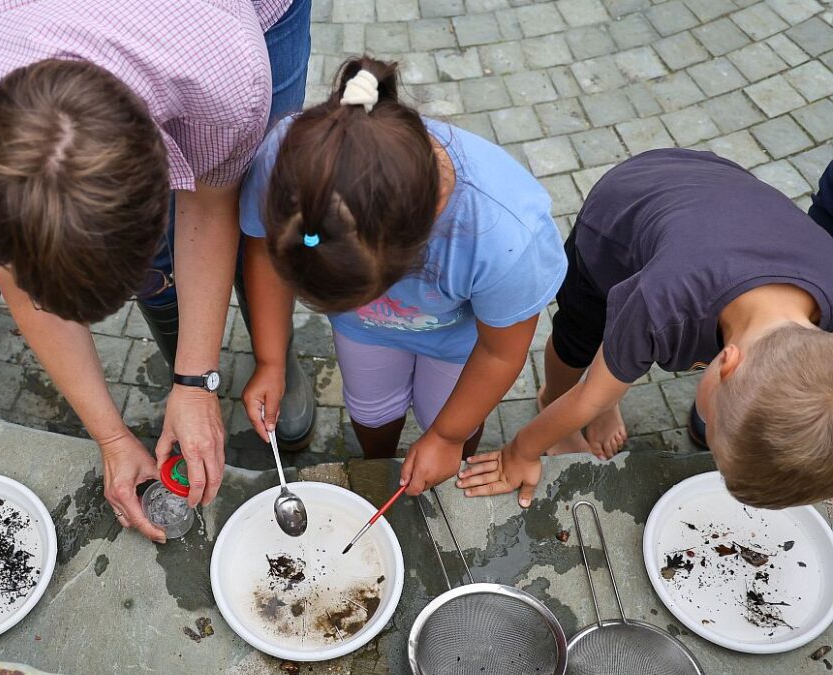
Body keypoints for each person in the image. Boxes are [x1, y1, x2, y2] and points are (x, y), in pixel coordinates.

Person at [0, 0, 315, 542]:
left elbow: (210, 205)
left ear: (163, 171)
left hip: (239, 21)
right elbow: (20, 289)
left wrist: (197, 381)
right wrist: (112, 438)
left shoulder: (224, 65)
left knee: (262, 199)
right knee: (167, 273)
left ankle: (272, 355)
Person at [239, 57, 567, 496]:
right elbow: (261, 247)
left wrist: (448, 437)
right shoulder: (288, 162)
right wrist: (271, 360)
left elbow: (500, 353)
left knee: (449, 420)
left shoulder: (506, 237)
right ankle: (378, 465)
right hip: (365, 332)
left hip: (459, 349)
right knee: (371, 413)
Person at [458, 148, 833, 511]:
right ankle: (553, 395)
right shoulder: (665, 303)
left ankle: (613, 386)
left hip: (717, 203)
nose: (709, 427)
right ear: (726, 365)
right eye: (713, 423)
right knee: (579, 341)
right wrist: (520, 451)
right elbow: (588, 395)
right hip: (618, 222)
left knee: (615, 367)